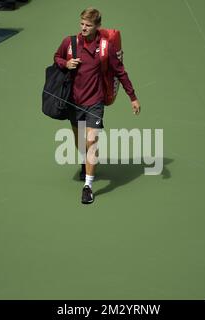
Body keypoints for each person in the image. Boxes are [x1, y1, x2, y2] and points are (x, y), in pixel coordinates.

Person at [54, 7, 141, 204]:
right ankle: (87, 162)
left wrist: (132, 97)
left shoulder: (105, 47)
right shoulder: (70, 43)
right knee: (80, 143)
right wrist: (65, 64)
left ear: (97, 26)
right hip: (74, 101)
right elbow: (56, 57)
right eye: (82, 24)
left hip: (95, 102)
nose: (84, 28)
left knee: (91, 142)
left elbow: (120, 71)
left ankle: (88, 186)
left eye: (88, 25)